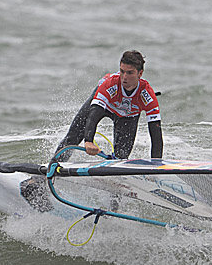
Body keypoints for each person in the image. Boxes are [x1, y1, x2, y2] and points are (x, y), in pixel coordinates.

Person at [20, 50, 163, 210]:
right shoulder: (110, 84)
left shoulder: (147, 95)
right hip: (102, 105)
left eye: (130, 73)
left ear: (140, 73)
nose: (124, 78)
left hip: (127, 117)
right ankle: (37, 183)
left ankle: (113, 208)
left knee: (120, 160)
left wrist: (155, 166)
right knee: (71, 139)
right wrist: (88, 140)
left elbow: (156, 133)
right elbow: (93, 115)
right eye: (122, 71)